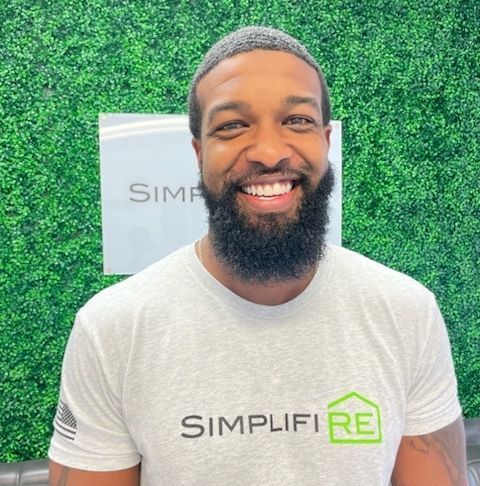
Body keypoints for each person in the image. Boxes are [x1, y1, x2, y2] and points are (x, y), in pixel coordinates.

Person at [48, 26, 467, 486]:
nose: (269, 152)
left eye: (298, 120)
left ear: (326, 142)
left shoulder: (407, 312)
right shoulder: (113, 329)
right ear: (198, 152)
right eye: (232, 125)